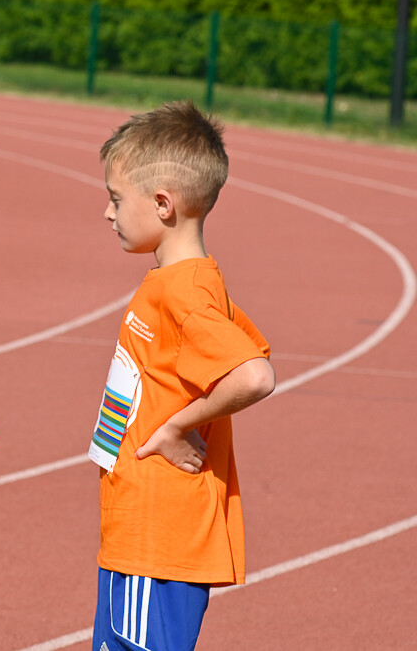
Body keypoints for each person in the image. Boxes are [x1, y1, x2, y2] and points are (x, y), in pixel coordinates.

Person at [86, 101, 276, 651]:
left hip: (158, 534)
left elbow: (253, 374)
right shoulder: (183, 281)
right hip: (138, 531)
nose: (108, 213)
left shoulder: (184, 292)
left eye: (117, 199)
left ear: (162, 204)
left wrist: (174, 428)